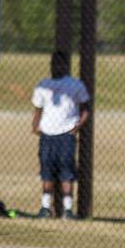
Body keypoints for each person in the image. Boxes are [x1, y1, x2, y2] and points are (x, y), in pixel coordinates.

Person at [31, 51, 90, 220]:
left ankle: (68, 210)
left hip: (66, 134)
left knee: (67, 171)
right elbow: (38, 109)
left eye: (59, 63)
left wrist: (77, 126)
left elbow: (85, 108)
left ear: (66, 66)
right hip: (47, 135)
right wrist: (35, 126)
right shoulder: (43, 85)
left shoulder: (75, 84)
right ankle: (45, 207)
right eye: (53, 63)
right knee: (47, 171)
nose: (55, 66)